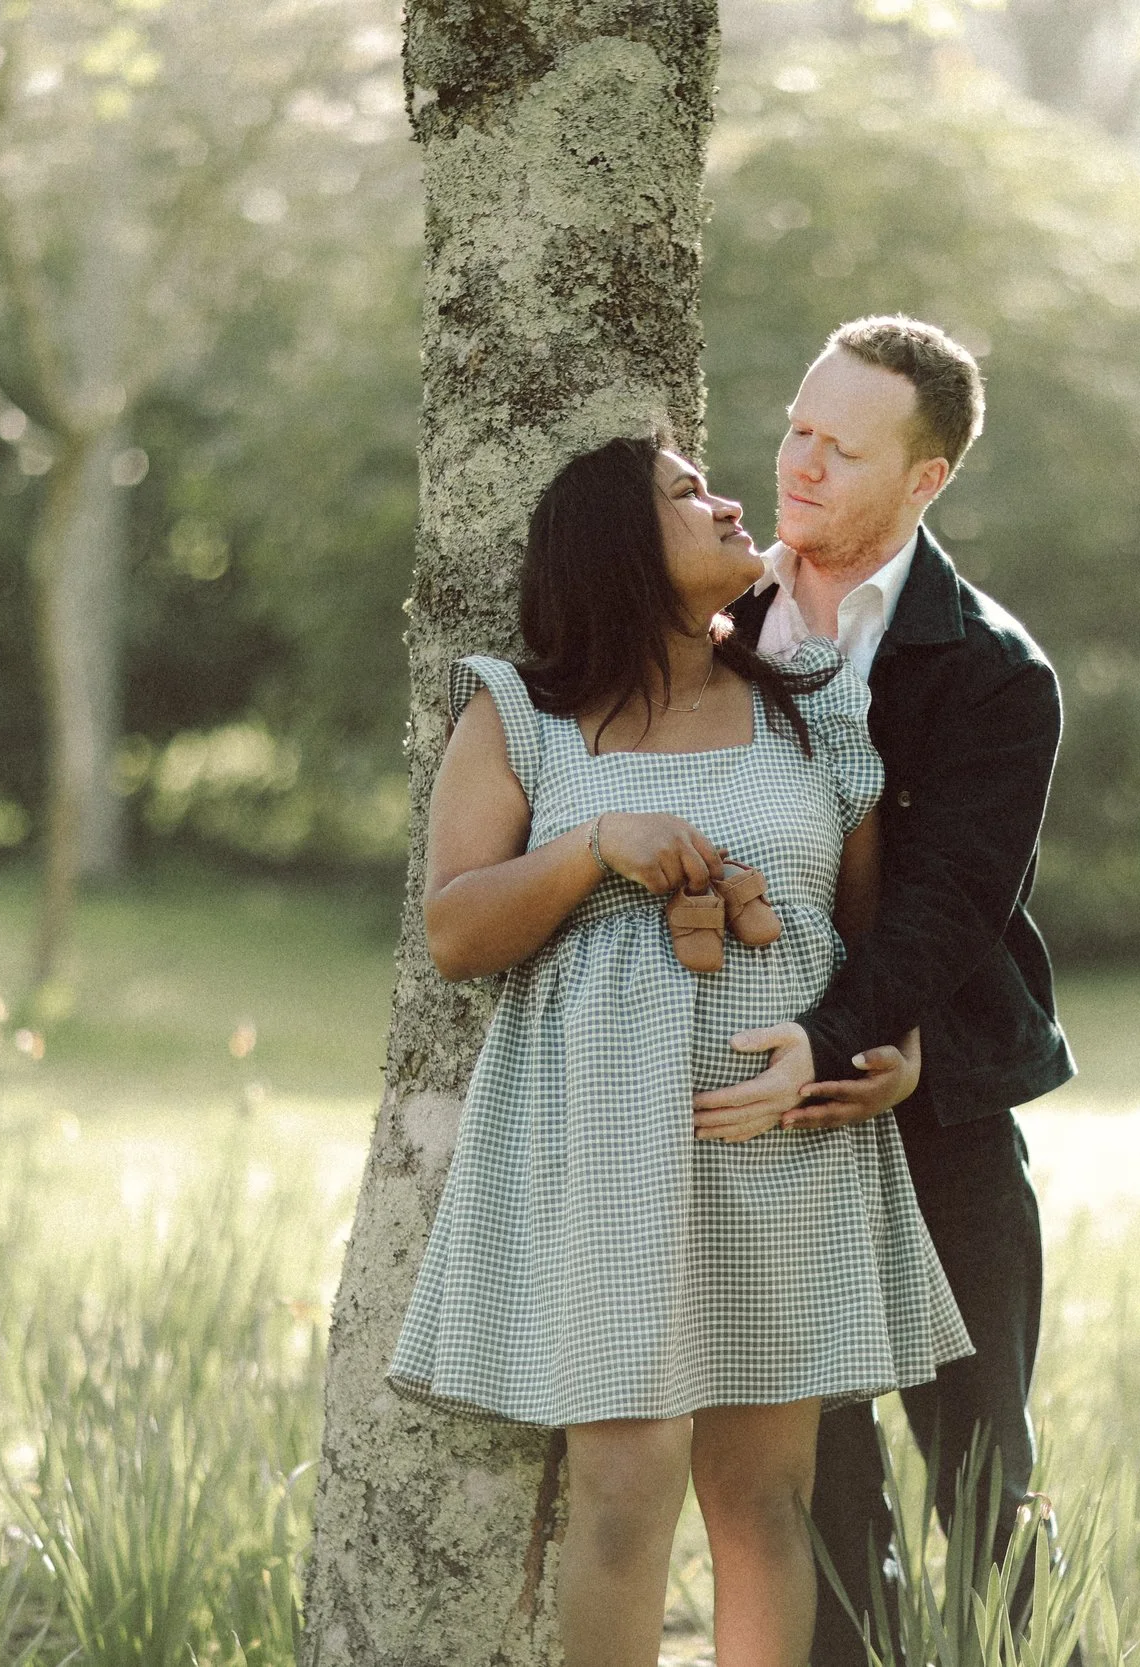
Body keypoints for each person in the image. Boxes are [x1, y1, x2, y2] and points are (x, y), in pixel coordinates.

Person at [385, 434, 970, 1667]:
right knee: (622, 1493)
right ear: (613, 544)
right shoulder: (521, 712)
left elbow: (869, 943)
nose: (728, 501)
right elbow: (452, 928)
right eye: (687, 492)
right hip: (608, 1144)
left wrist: (891, 1051)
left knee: (766, 1497)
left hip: (781, 1142)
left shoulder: (813, 712)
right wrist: (594, 844)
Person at [696, 316, 1076, 1664]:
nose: (797, 464)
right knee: (822, 1492)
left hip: (940, 1112)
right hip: (758, 1111)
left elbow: (951, 902)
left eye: (841, 449)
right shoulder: (706, 616)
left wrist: (845, 1040)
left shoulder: (992, 671)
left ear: (927, 479)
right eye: (797, 427)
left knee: (985, 1479)